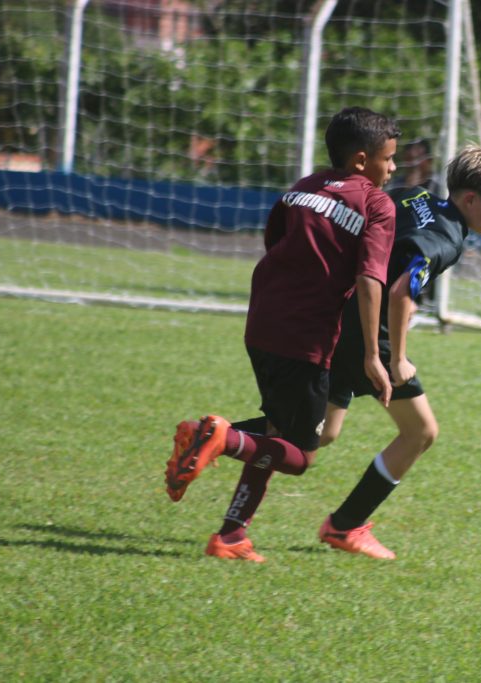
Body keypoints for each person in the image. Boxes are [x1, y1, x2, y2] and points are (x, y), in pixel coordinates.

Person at [163, 106, 401, 562]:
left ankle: (231, 536)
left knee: (275, 429)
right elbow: (371, 280)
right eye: (387, 158)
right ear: (360, 160)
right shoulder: (376, 204)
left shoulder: (303, 188)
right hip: (308, 336)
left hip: (262, 320)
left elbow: (275, 242)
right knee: (300, 454)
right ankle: (220, 438)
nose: (392, 168)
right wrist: (373, 355)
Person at [316, 145, 481, 560]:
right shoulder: (445, 239)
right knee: (421, 432)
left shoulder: (415, 195)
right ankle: (345, 525)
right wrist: (397, 360)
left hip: (339, 314)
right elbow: (400, 292)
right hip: (370, 336)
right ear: (470, 199)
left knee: (319, 432)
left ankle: (225, 436)